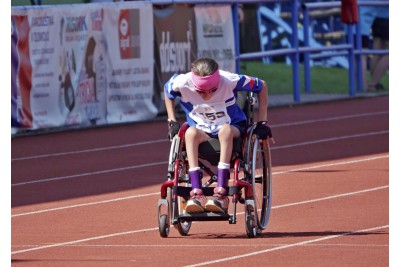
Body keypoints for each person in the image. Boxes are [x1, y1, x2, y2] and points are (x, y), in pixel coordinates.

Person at [164, 58, 272, 214]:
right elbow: (168, 92)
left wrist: (262, 122)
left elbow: (261, 86)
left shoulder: (229, 80)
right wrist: (172, 120)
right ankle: (196, 191)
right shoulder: (181, 82)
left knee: (225, 130)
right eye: (201, 92)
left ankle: (221, 192)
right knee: (190, 133)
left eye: (212, 90)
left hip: (232, 127)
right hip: (202, 130)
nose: (207, 94)